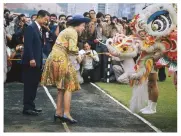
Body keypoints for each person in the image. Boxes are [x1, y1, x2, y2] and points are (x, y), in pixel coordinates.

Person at [41, 15, 90, 124]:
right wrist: (81, 54)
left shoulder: (67, 30)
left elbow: (68, 49)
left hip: (55, 58)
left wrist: (77, 55)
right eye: (83, 26)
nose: (83, 28)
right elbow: (72, 49)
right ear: (77, 25)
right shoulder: (73, 32)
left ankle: (58, 112)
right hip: (60, 59)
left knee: (61, 88)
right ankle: (66, 114)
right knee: (69, 86)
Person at [22, 10, 50, 116]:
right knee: (29, 85)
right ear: (39, 17)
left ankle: (31, 106)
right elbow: (28, 45)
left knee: (34, 84)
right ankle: (27, 107)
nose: (46, 22)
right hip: (31, 62)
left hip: (37, 61)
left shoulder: (39, 28)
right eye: (45, 19)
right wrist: (32, 59)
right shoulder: (30, 27)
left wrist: (40, 61)